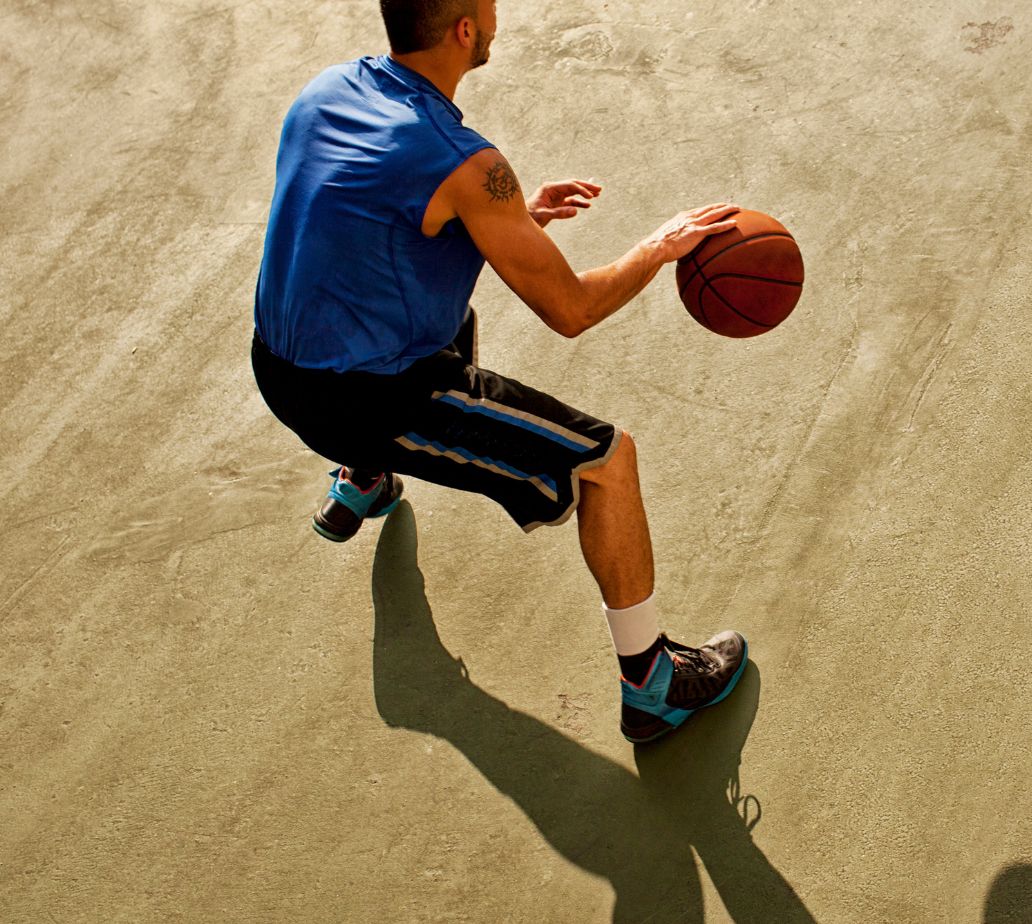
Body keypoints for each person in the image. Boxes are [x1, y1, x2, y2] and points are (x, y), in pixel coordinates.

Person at [250, 0, 747, 744]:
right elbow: (571, 309)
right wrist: (658, 247)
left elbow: (370, 226)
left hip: (274, 361)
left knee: (444, 311)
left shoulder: (330, 88)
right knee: (608, 461)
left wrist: (516, 222)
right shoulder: (465, 163)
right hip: (368, 403)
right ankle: (653, 683)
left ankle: (365, 480)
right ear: (463, 30)